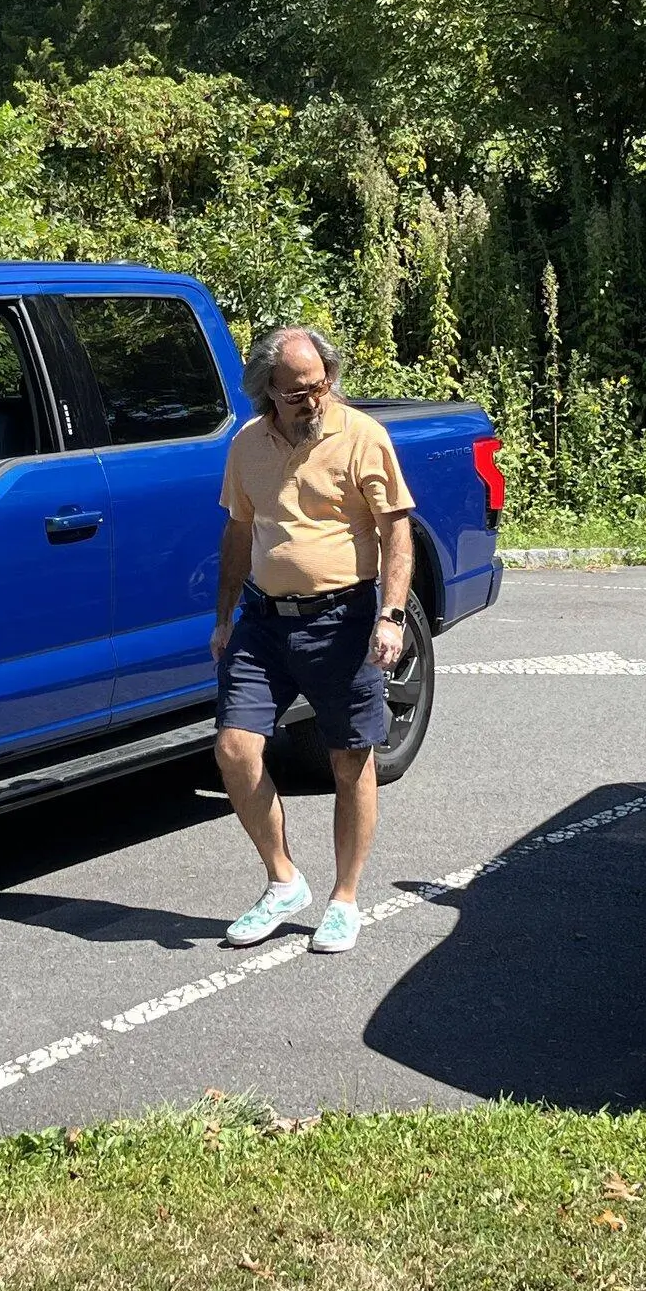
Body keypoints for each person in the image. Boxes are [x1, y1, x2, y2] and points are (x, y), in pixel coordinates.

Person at [210, 324, 415, 953]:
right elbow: (239, 536)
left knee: (349, 759)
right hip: (265, 620)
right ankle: (283, 880)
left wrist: (392, 615)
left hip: (345, 617)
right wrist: (223, 619)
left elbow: (396, 531)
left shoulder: (362, 437)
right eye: (296, 390)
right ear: (267, 390)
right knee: (235, 749)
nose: (312, 398)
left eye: (319, 384)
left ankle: (345, 898)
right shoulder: (247, 445)